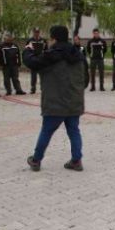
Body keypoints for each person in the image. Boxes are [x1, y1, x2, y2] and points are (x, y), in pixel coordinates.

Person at [24, 25, 86, 172]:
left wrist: (28, 50)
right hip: (74, 102)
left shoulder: (51, 55)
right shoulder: (78, 54)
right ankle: (76, 161)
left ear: (54, 38)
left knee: (46, 131)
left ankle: (36, 160)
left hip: (55, 103)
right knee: (74, 131)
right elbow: (86, 79)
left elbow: (32, 63)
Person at [26, 27, 47, 94]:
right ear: (33, 32)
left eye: (38, 32)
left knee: (42, 74)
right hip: (34, 58)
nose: (36, 33)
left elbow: (46, 49)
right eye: (35, 32)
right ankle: (33, 88)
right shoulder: (30, 40)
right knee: (33, 75)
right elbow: (27, 49)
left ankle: (43, 88)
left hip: (41, 59)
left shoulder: (43, 40)